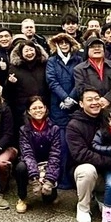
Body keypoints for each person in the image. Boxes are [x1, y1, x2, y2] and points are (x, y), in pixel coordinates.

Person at [67, 87, 111, 222]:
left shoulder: (107, 119)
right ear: (81, 104)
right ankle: (83, 207)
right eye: (89, 100)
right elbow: (81, 154)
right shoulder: (74, 125)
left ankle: (101, 196)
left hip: (105, 171)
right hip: (82, 170)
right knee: (87, 171)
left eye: (97, 99)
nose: (94, 102)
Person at [45, 33, 82, 190]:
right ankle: (61, 177)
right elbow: (51, 81)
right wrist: (64, 98)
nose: (64, 45)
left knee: (74, 142)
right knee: (61, 144)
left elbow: (80, 80)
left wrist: (71, 99)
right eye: (61, 42)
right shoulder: (52, 61)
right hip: (58, 108)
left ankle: (73, 176)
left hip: (74, 107)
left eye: (66, 42)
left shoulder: (78, 60)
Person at [15, 96, 60, 213]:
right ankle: (22, 198)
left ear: (45, 108)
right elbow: (27, 154)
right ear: (29, 111)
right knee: (20, 167)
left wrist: (49, 179)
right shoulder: (24, 129)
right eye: (34, 108)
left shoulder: (54, 129)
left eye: (41, 107)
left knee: (49, 199)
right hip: (31, 164)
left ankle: (51, 188)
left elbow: (55, 154)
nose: (38, 110)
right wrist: (35, 178)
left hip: (47, 164)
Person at [6, 39, 49, 132]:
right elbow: (8, 93)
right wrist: (10, 82)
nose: (29, 53)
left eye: (31, 50)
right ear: (21, 53)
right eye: (26, 51)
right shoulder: (14, 67)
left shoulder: (44, 65)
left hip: (42, 106)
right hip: (22, 109)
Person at [74, 36, 111, 107]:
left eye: (99, 46)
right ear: (87, 50)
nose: (97, 48)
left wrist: (108, 98)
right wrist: (96, 100)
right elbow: (80, 89)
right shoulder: (79, 69)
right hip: (91, 107)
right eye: (92, 47)